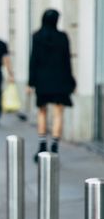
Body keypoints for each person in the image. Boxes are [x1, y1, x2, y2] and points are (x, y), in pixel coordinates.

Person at [28, 9, 75, 161]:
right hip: (60, 79)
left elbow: (33, 60)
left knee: (42, 111)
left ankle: (42, 145)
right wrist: (70, 81)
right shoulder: (63, 37)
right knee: (58, 112)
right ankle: (54, 146)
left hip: (42, 80)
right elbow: (67, 61)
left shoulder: (37, 37)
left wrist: (31, 82)